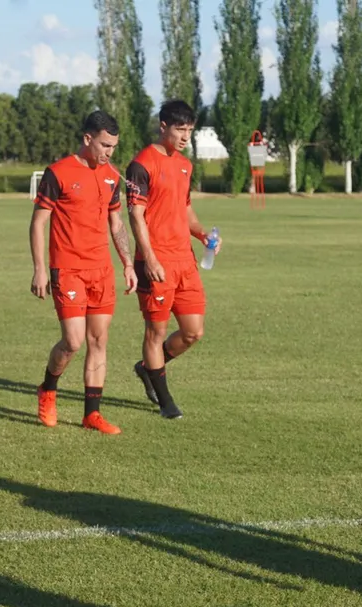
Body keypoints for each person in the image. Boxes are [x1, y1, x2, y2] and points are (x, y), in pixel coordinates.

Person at [30, 110, 137, 434]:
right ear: (87, 138)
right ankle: (48, 389)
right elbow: (38, 222)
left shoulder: (110, 176)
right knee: (73, 341)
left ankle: (92, 414)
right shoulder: (58, 172)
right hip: (68, 269)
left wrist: (128, 263)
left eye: (114, 147)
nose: (109, 152)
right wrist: (39, 269)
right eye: (104, 145)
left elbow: (116, 223)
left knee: (99, 340)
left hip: (101, 271)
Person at [127, 100, 220, 419]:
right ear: (162, 125)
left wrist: (203, 235)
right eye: (180, 129)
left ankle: (148, 369)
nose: (185, 136)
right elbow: (136, 215)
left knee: (194, 332)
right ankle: (166, 403)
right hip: (156, 263)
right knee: (155, 332)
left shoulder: (184, 165)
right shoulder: (142, 163)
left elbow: (185, 208)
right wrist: (149, 258)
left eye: (190, 131)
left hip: (186, 261)